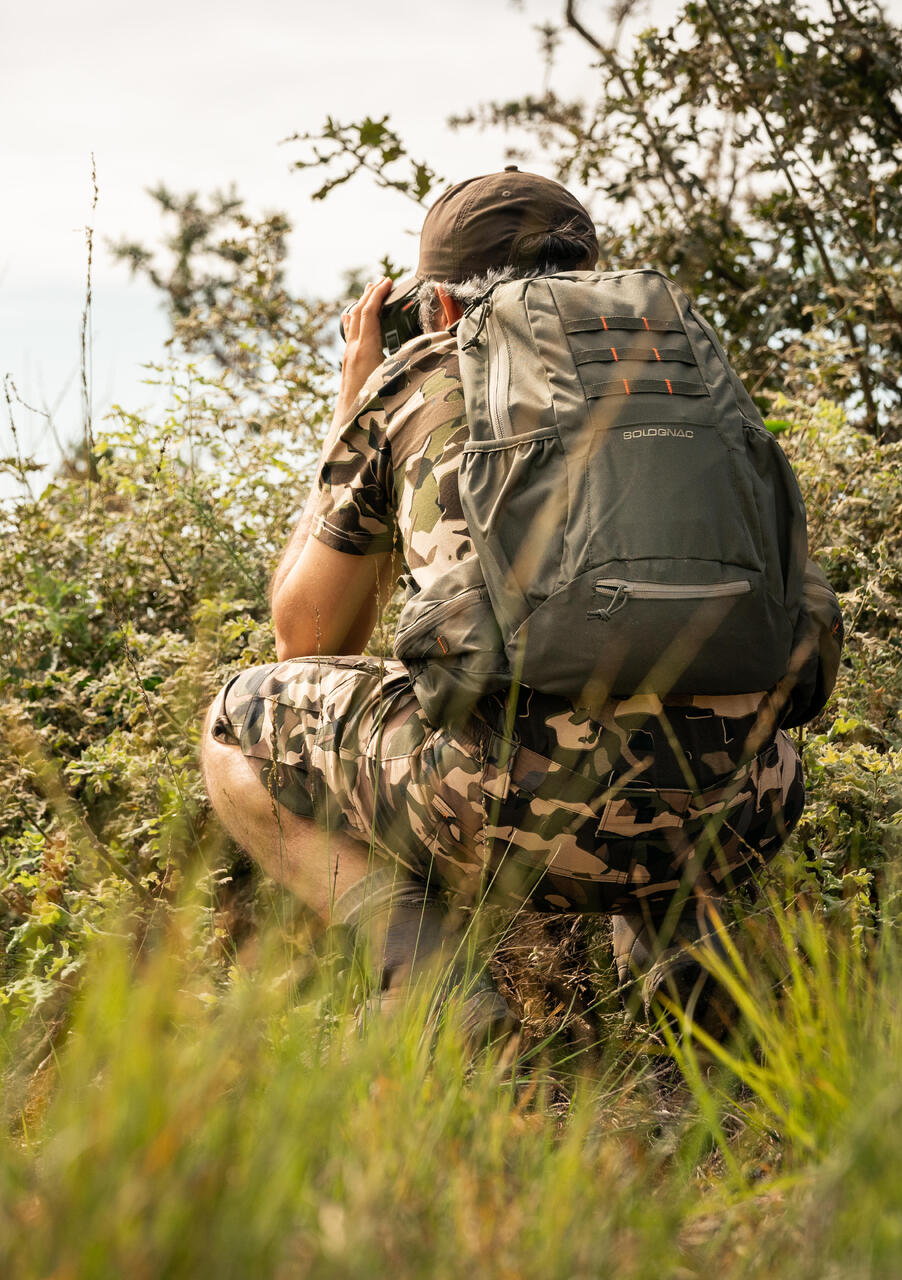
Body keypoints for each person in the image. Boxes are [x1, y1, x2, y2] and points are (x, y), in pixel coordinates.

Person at [199, 169, 832, 1045]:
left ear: (441, 309)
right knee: (653, 683)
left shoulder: (420, 374)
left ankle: (426, 981)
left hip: (505, 812)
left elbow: (307, 638)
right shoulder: (684, 372)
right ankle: (694, 953)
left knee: (235, 724)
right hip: (748, 801)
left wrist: (351, 418)